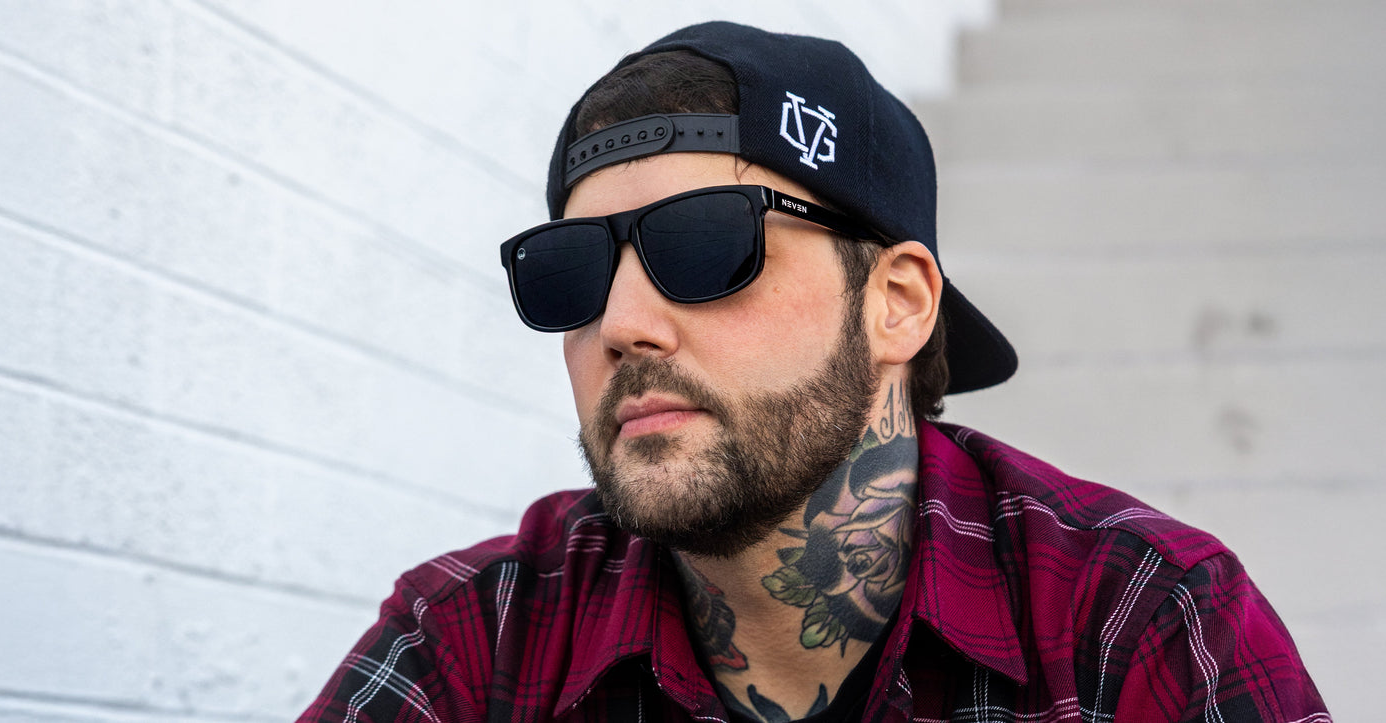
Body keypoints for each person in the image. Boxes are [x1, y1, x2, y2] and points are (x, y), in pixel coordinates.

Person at [300, 22, 1329, 723]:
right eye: (571, 272)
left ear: (896, 304)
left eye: (704, 248)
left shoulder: (1135, 623)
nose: (620, 323)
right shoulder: (479, 637)